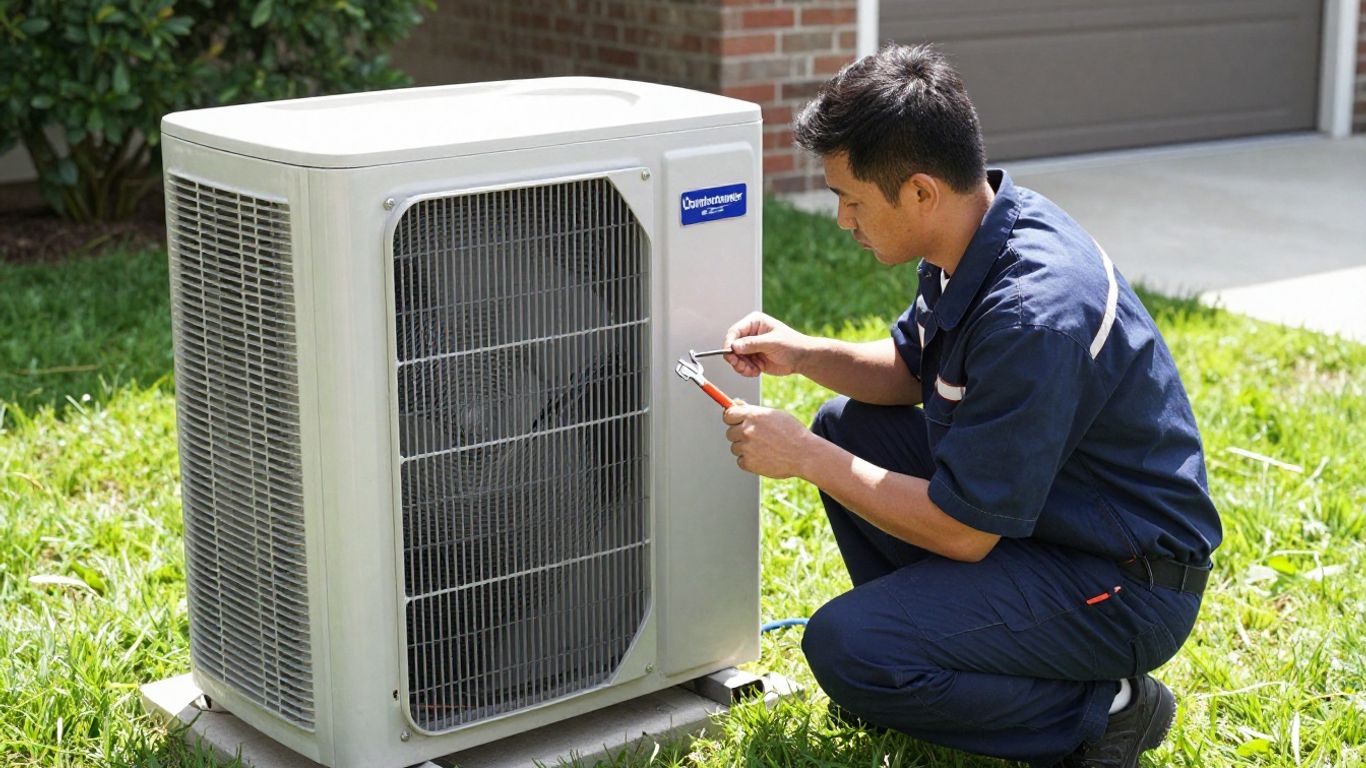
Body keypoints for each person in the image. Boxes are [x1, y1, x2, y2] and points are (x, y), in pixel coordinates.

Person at [719, 44, 1221, 768]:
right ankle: (924, 662)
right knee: (848, 425)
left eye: (851, 199)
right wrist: (803, 354)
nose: (841, 221)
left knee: (844, 645)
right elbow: (906, 369)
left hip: (1124, 580)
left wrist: (802, 458)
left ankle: (1107, 709)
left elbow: (962, 534)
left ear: (920, 191)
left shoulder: (1035, 313)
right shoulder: (978, 230)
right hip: (1053, 522)